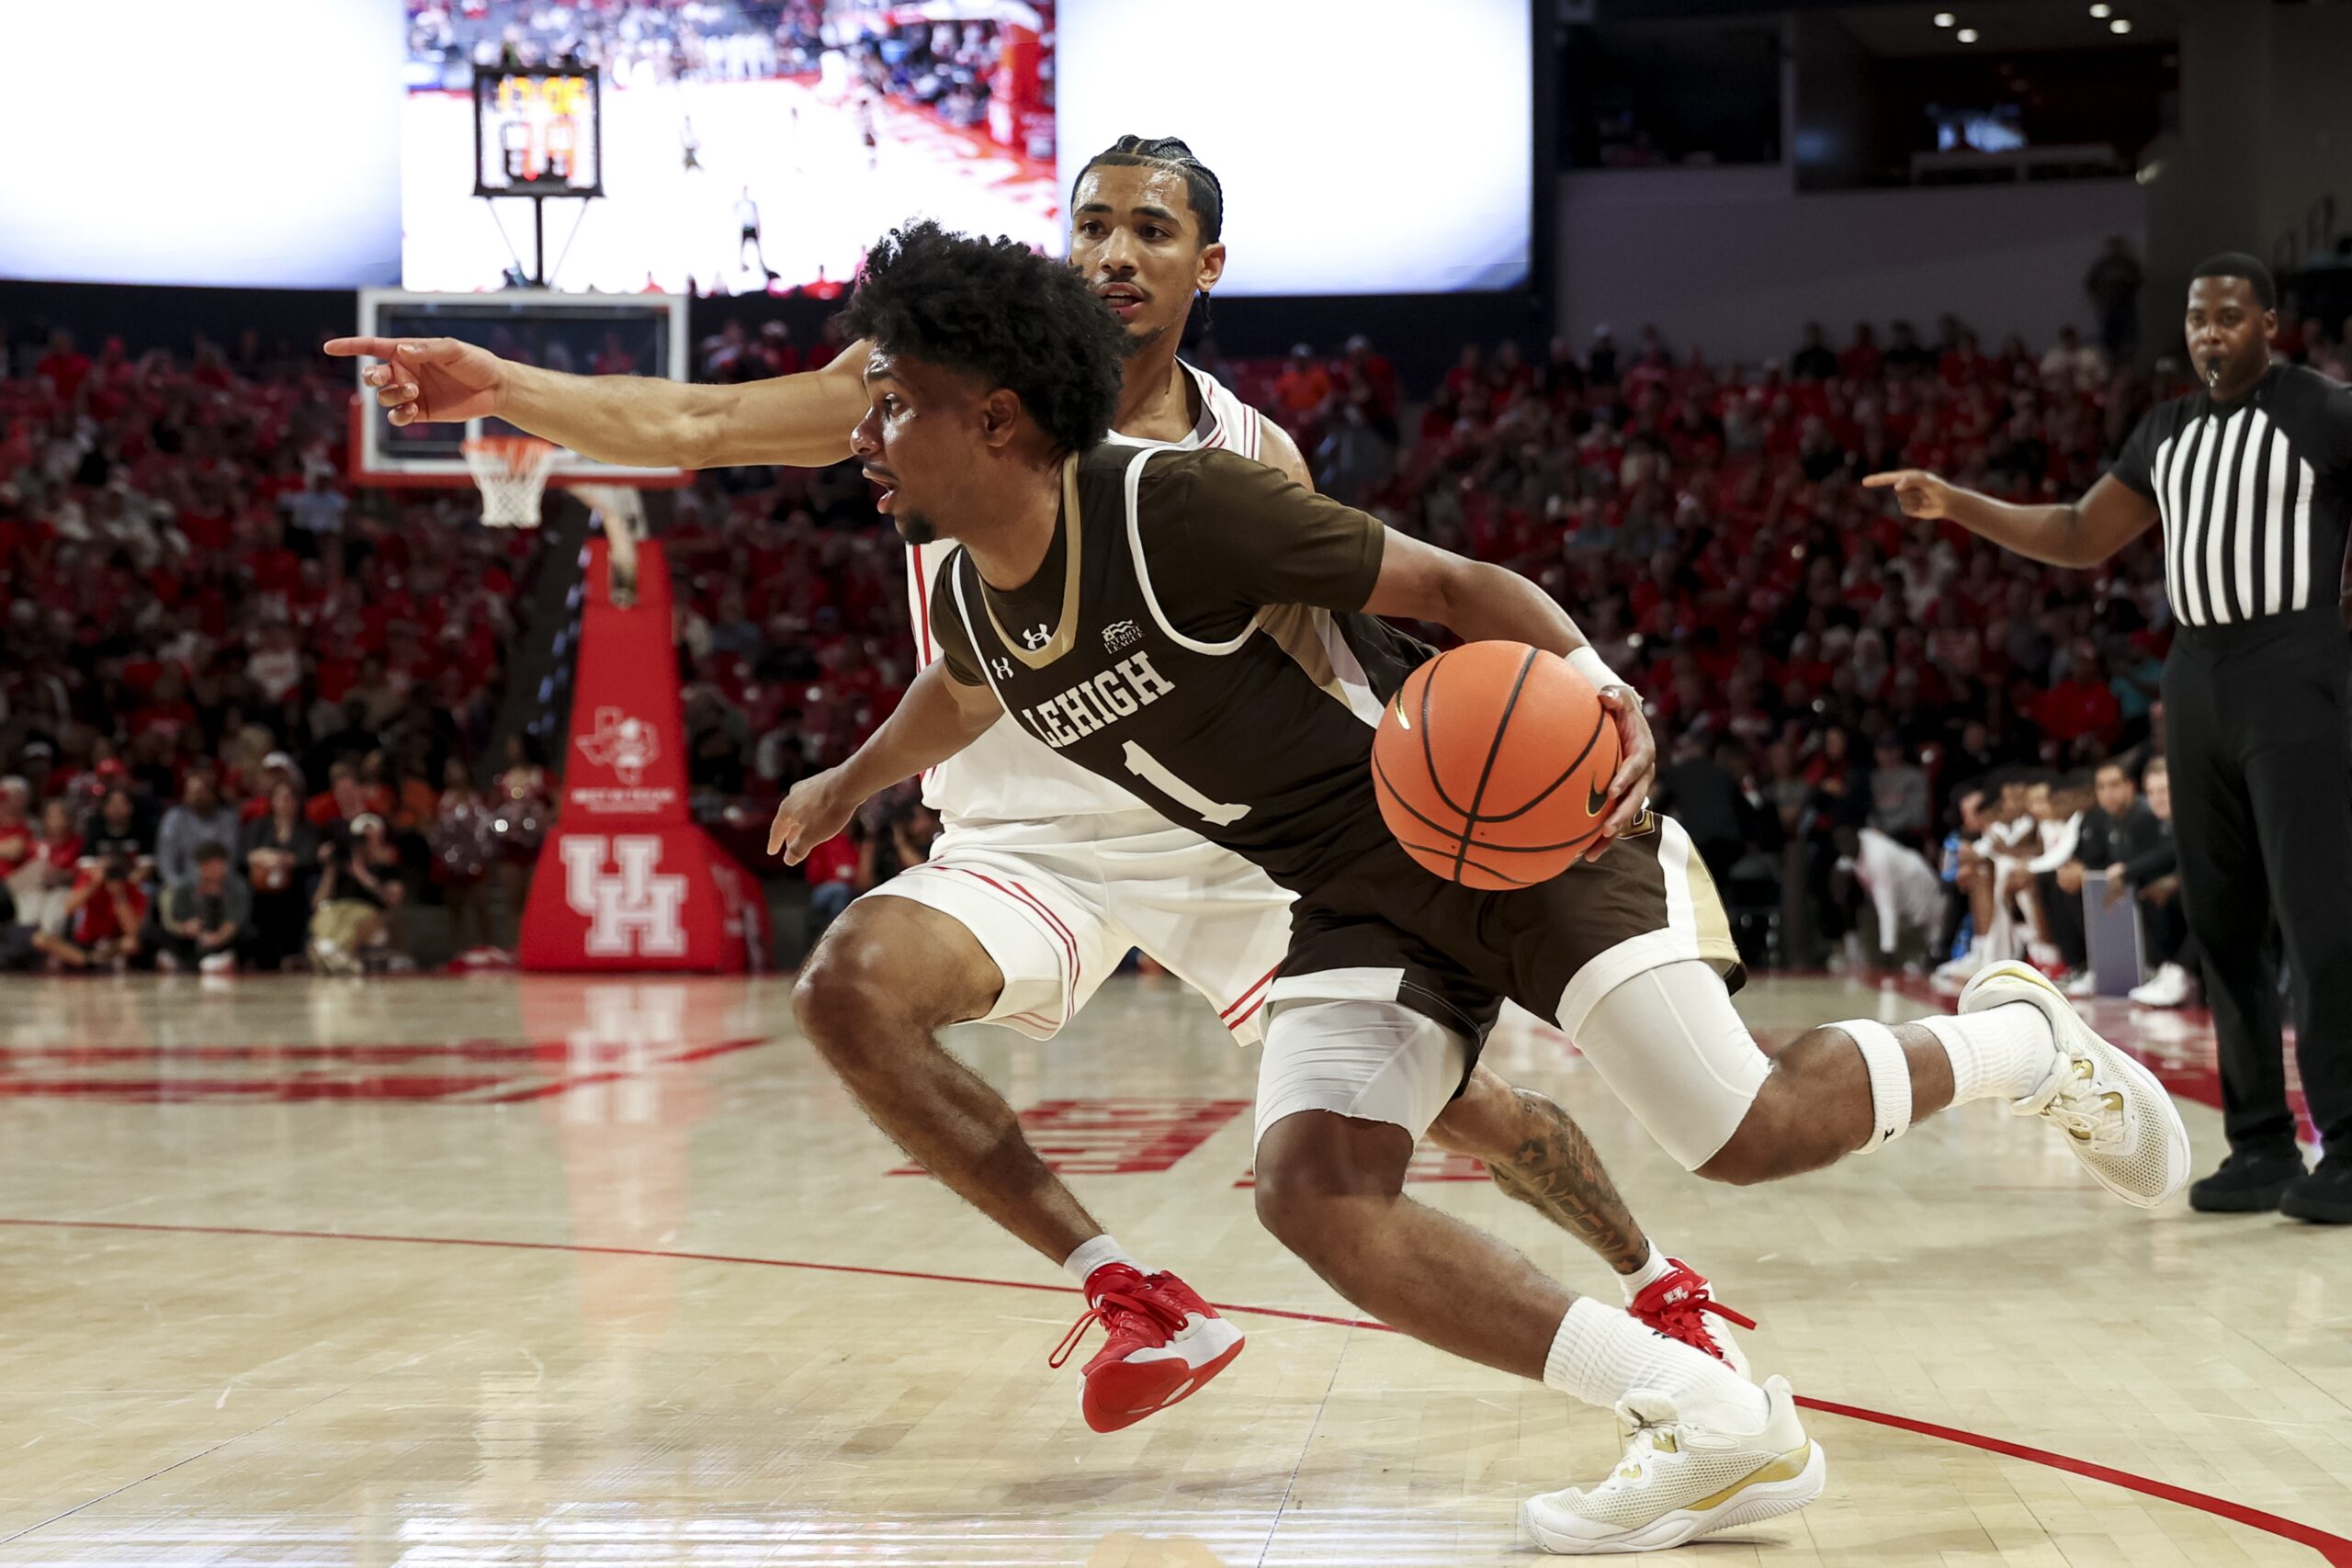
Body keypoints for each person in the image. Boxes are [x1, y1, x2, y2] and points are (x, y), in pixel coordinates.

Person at [767, 221, 2189, 1551]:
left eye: (891, 402)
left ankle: (2024, 1041)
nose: (862, 433)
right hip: (1348, 893)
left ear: (997, 417)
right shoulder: (966, 591)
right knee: (1315, 1189)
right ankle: (1709, 1418)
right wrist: (851, 778)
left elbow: (1455, 584)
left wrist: (1604, 691)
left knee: (1741, 1130)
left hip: (1497, 823)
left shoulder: (1180, 507)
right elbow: (965, 695)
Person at [329, 140, 1757, 1435]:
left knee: (1475, 1113)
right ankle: (1132, 1288)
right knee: (848, 988)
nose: (1114, 252)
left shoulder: (1246, 454)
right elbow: (699, 423)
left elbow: (1358, 654)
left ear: (1205, 266)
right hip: (1029, 831)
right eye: (1090, 225)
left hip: (1239, 845)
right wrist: (504, 385)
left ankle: (1657, 1276)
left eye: (1149, 228)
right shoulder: (923, 392)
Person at [1870, 253, 2352, 1223]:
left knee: (2320, 918)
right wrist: (1956, 501)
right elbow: (2080, 533)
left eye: (2227, 316)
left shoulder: (2322, 409)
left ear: (2269, 322)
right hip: (2199, 678)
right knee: (2224, 924)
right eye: (2195, 319)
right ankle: (2257, 1145)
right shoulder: (2164, 431)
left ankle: (2345, 1147)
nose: (2208, 333)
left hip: (2297, 668)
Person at [241, 780, 318, 971]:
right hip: (260, 884)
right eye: (281, 798)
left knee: (303, 890)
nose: (286, 802)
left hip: (293, 885)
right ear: (273, 801)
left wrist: (282, 860)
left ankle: (293, 953)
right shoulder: (259, 826)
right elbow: (245, 854)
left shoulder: (307, 829)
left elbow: (307, 858)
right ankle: (256, 953)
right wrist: (266, 857)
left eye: (291, 798)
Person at [159, 840, 250, 975]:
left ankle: (223, 959)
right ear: (200, 866)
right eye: (211, 865)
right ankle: (179, 959)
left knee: (248, 934)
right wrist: (185, 928)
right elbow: (173, 919)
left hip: (223, 936)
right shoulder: (185, 887)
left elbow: (235, 919)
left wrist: (218, 937)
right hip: (192, 937)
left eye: (220, 864)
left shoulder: (237, 887)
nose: (216, 870)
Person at [154, 770, 241, 890]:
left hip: (220, 885)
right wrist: (179, 888)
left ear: (213, 794)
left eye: (201, 793)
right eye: (191, 793)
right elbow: (166, 861)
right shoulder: (173, 818)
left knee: (240, 888)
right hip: (181, 885)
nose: (196, 797)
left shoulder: (228, 819)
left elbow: (230, 859)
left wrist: (214, 885)